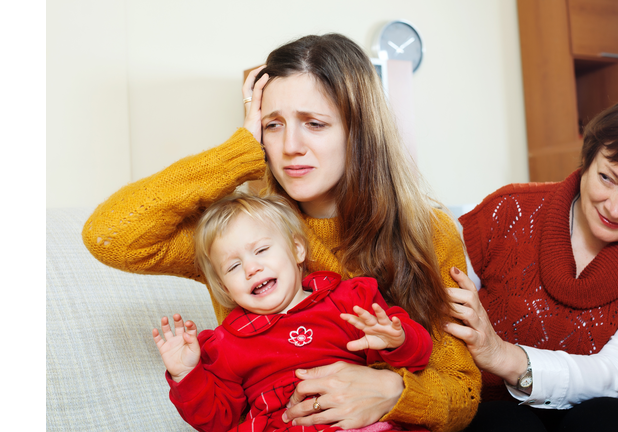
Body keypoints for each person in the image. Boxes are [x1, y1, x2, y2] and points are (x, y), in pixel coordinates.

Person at [82, 33, 480, 432]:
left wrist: (394, 390)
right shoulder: (240, 238)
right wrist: (237, 153)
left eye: (315, 123)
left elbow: (462, 392)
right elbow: (109, 234)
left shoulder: (427, 230)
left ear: (358, 131)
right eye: (273, 125)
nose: (290, 146)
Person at [444, 95, 618, 432]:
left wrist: (504, 357)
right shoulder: (506, 210)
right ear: (588, 158)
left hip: (604, 416)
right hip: (496, 409)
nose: (615, 208)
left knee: (609, 421)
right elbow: (437, 312)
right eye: (607, 178)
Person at [153, 193, 432, 432]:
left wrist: (398, 339)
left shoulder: (348, 300)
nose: (252, 268)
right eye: (233, 267)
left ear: (297, 250)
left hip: (357, 422)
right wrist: (186, 375)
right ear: (224, 288)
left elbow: (419, 358)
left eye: (261, 250)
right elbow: (214, 421)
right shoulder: (226, 343)